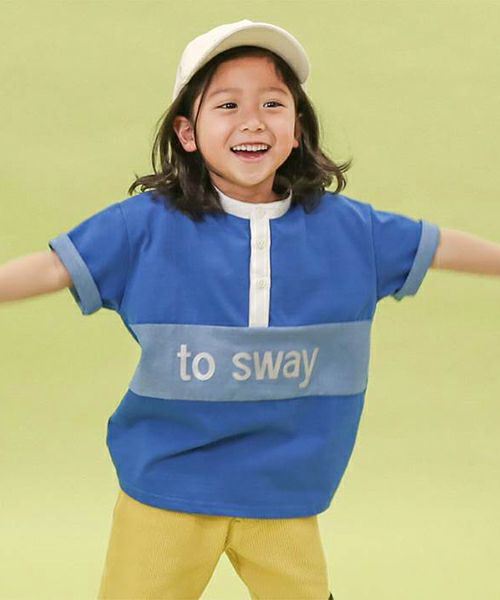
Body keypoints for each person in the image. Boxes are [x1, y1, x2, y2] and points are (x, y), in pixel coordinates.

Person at [1, 18, 499, 600]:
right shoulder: (144, 227)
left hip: (284, 496)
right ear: (187, 132)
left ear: (297, 128)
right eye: (227, 104)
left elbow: (437, 246)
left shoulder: (351, 231)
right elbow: (52, 267)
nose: (253, 120)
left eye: (272, 103)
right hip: (166, 489)